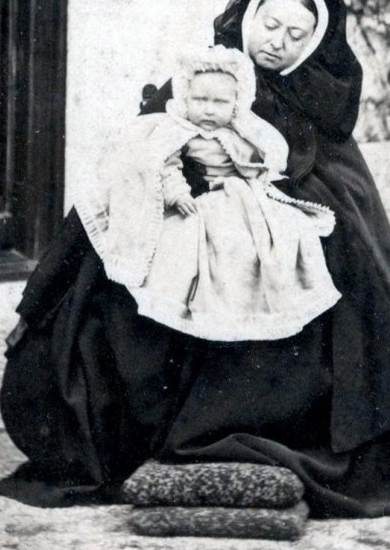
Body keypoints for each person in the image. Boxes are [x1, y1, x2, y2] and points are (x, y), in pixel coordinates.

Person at [0, 0, 390, 516]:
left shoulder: (315, 111)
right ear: (248, 19)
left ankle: (255, 423)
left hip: (266, 249)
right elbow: (132, 165)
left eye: (294, 36)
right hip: (181, 227)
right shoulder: (200, 83)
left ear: (312, 45)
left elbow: (338, 198)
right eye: (269, 25)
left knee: (311, 264)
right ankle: (136, 432)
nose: (276, 43)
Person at [75, 44, 340, 341]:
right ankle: (210, 312)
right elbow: (163, 162)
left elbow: (268, 153)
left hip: (245, 193)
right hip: (209, 196)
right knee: (201, 246)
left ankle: (259, 306)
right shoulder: (180, 130)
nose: (209, 110)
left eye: (220, 102)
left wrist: (263, 171)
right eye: (200, 100)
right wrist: (177, 194)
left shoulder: (243, 129)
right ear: (186, 98)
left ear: (237, 103)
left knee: (284, 233)